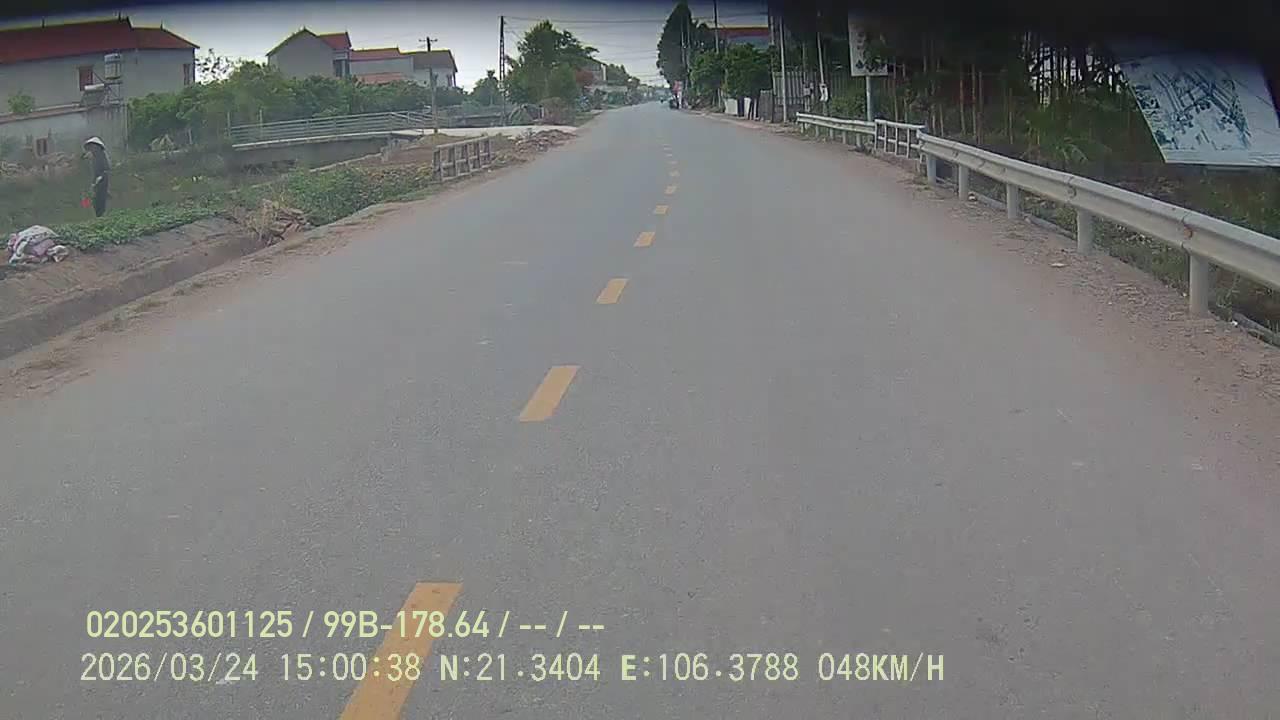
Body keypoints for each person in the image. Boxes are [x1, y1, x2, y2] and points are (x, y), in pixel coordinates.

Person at [83, 137, 110, 218]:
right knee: (89, 198)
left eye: (92, 147)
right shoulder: (91, 159)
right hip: (93, 181)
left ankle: (99, 215)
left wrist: (98, 179)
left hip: (101, 180)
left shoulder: (101, 157)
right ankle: (86, 212)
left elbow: (105, 169)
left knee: (99, 199)